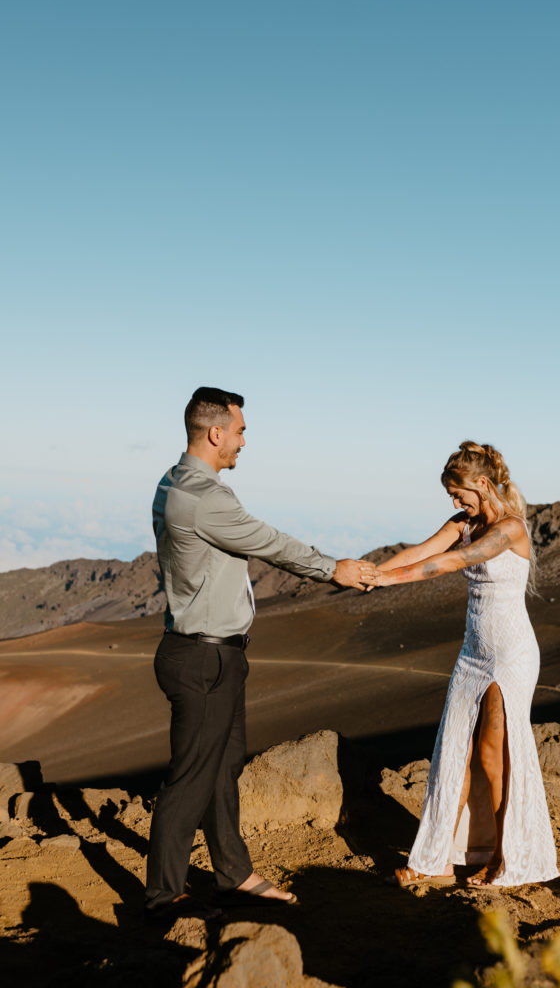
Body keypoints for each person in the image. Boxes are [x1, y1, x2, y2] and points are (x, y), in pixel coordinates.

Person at [145, 386, 376, 923]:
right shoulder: (205, 497)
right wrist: (332, 569)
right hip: (203, 658)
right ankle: (162, 897)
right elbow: (267, 542)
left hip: (214, 654)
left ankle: (233, 877)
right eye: (241, 431)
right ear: (215, 432)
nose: (245, 441)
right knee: (191, 778)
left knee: (222, 769)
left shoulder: (176, 481)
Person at [366, 441, 558, 888]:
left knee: (494, 752)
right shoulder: (463, 522)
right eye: (451, 496)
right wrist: (375, 572)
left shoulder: (510, 529)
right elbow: (421, 550)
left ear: (483, 485)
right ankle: (436, 860)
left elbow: (452, 561)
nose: (455, 504)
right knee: (453, 749)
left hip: (510, 653)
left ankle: (503, 858)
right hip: (473, 650)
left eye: (460, 494)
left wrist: (390, 580)